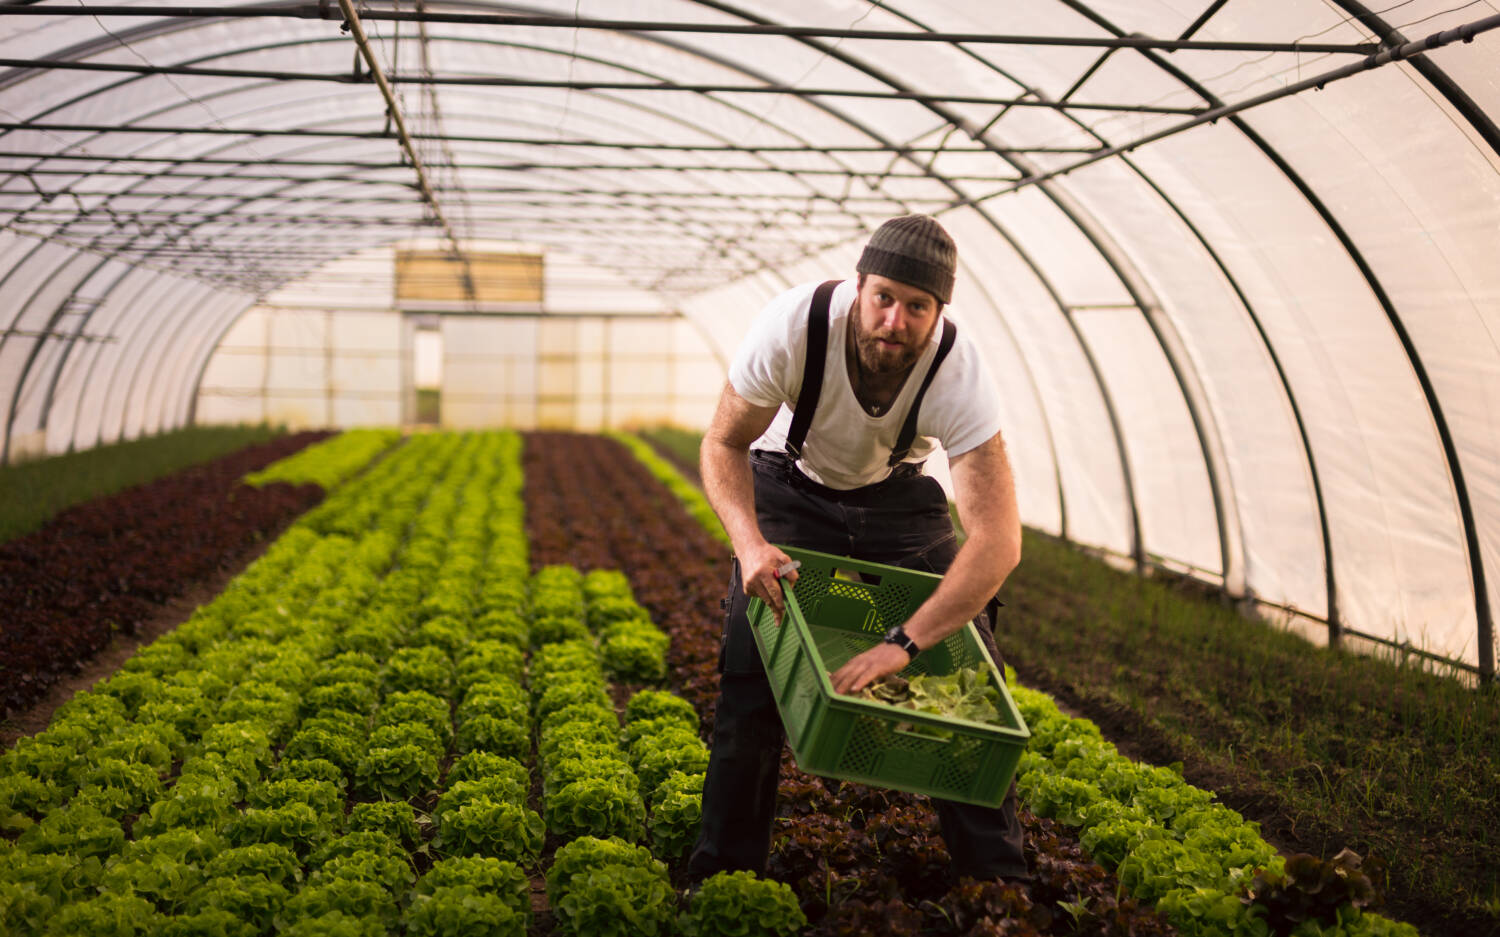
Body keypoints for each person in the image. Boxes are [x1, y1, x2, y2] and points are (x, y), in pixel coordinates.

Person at [686, 214, 1028, 884]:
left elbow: (998, 539)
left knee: (971, 667)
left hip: (897, 496)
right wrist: (750, 545)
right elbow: (722, 443)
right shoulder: (792, 326)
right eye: (884, 298)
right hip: (790, 482)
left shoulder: (958, 371)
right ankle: (723, 872)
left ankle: (999, 884)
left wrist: (904, 642)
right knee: (755, 663)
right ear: (858, 285)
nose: (895, 321)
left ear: (938, 313)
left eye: (917, 307)